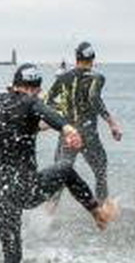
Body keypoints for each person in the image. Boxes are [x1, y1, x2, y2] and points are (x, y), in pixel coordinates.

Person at [0, 64, 118, 263]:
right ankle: (98, 213)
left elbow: (21, 123)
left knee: (12, 255)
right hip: (24, 188)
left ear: (14, 85)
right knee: (66, 169)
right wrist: (69, 130)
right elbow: (50, 115)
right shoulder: (31, 102)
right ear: (37, 89)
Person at [45, 41, 123, 201]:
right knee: (100, 173)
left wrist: (63, 108)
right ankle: (102, 213)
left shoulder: (63, 77)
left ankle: (47, 216)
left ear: (76, 58)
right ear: (93, 58)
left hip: (68, 134)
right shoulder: (97, 78)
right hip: (88, 134)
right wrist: (112, 123)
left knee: (59, 175)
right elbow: (94, 98)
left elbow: (48, 100)